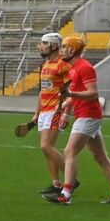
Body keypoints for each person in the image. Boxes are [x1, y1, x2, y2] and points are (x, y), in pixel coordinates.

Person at [45, 36, 110, 205]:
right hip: (86, 115)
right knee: (100, 157)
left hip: (88, 115)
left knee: (69, 152)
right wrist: (66, 105)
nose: (61, 50)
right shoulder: (73, 68)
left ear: (73, 50)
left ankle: (66, 194)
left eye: (65, 47)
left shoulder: (85, 68)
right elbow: (77, 94)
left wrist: (70, 95)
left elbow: (93, 93)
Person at [32, 33, 72, 195]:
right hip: (44, 111)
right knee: (47, 150)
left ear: (54, 46)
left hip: (56, 110)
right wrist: (37, 113)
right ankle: (56, 184)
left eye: (44, 43)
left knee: (46, 146)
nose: (40, 46)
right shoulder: (46, 63)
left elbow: (70, 91)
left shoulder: (63, 65)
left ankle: (71, 180)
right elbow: (42, 90)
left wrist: (66, 113)